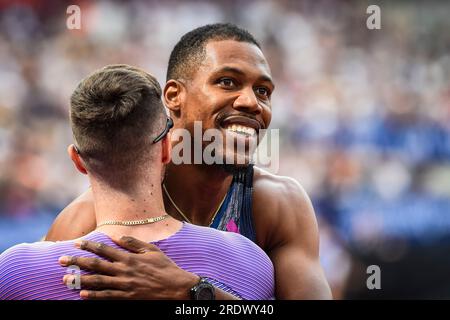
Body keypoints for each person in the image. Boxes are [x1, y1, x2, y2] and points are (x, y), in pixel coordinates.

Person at [45, 23, 332, 299]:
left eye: (263, 91)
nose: (252, 103)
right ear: (174, 96)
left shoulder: (277, 204)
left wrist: (192, 292)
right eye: (227, 82)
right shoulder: (87, 222)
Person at [0, 65, 274, 300]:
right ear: (167, 149)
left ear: (78, 161)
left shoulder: (17, 272)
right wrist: (197, 292)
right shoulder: (247, 261)